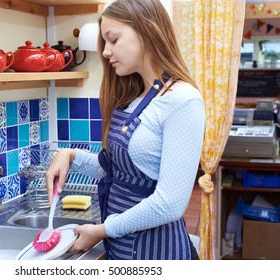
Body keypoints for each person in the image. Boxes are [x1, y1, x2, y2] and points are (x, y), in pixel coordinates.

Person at [45, 0, 205, 260]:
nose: (106, 52)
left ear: (148, 31)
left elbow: (169, 204)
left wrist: (102, 230)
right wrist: (70, 155)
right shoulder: (135, 99)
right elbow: (120, 175)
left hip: (157, 254)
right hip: (121, 252)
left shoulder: (182, 100)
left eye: (113, 39)